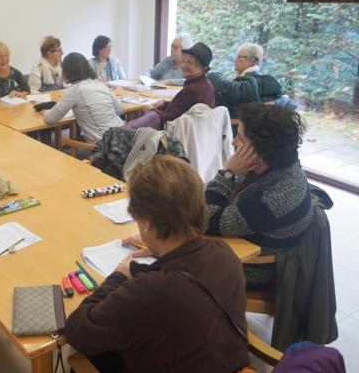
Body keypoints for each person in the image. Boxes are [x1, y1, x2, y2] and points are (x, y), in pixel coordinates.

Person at [66, 155, 250, 372]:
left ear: (146, 224)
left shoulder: (150, 291)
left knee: (81, 354)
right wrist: (148, 261)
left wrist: (119, 275)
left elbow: (78, 330)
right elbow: (183, 281)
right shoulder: (224, 254)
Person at [205, 103, 313, 289]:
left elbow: (206, 219)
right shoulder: (276, 164)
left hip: (252, 269)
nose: (233, 143)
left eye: (239, 138)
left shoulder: (273, 200)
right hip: (246, 243)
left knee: (170, 261)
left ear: (260, 150)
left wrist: (227, 173)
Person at [125, 42, 215, 130]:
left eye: (189, 63)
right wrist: (165, 104)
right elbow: (181, 107)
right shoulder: (205, 84)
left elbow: (172, 119)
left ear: (202, 68)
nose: (183, 65)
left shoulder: (194, 89)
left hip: (175, 135)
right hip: (191, 132)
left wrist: (152, 110)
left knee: (132, 127)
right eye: (183, 61)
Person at [40, 52, 124, 144]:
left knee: (62, 146)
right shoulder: (100, 84)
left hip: (103, 146)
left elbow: (50, 118)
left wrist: (44, 112)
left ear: (67, 71)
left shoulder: (75, 90)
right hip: (122, 137)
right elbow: (120, 109)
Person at [207, 42, 294, 118]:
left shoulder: (256, 82)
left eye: (239, 57)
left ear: (251, 60)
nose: (235, 60)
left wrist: (211, 74)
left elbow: (231, 90)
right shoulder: (266, 82)